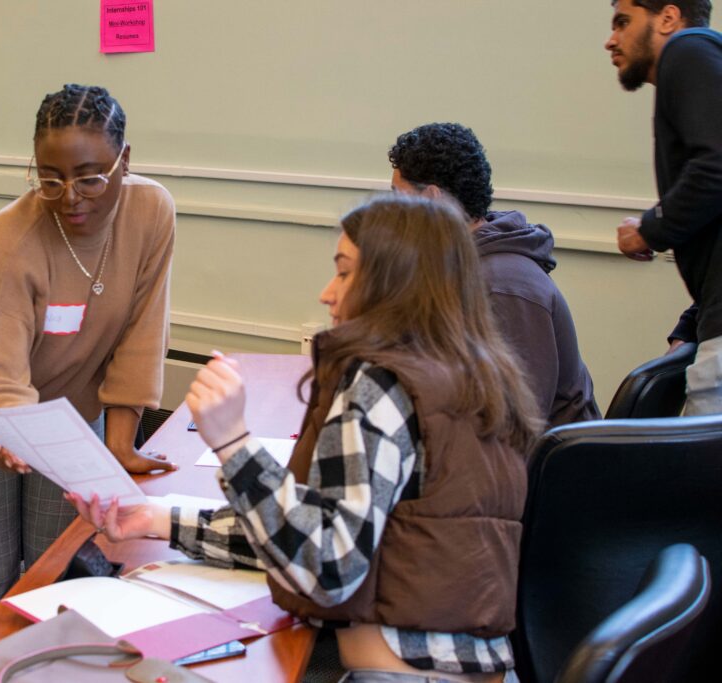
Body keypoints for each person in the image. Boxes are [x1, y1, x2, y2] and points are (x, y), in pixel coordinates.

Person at [68, 194, 542, 683]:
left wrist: (233, 443)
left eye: (343, 272)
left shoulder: (381, 385)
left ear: (392, 283)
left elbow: (326, 568)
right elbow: (318, 537)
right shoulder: (474, 379)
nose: (327, 292)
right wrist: (157, 518)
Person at [0, 83, 177, 632]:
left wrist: (120, 441)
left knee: (52, 570)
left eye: (91, 176)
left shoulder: (151, 211)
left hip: (71, 409)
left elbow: (143, 329)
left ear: (125, 160)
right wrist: (8, 430)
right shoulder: (10, 240)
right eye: (50, 178)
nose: (70, 195)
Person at [387, 122, 600, 429]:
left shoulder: (504, 287)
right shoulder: (462, 266)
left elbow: (514, 425)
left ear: (431, 198)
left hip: (539, 470)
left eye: (398, 197)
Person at [605, 0, 722, 413]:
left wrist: (650, 229)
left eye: (623, 22)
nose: (610, 40)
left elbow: (716, 165)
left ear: (668, 18)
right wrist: (691, 324)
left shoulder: (688, 49)